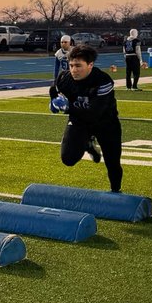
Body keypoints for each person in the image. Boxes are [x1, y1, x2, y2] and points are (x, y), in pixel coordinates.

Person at [49, 44, 123, 192]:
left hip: (105, 122)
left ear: (90, 65)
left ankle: (116, 192)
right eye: (71, 65)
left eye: (78, 65)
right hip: (79, 121)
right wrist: (54, 103)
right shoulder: (64, 78)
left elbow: (94, 113)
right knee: (68, 159)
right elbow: (53, 91)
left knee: (112, 161)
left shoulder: (103, 81)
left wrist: (68, 108)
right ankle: (87, 143)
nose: (74, 70)